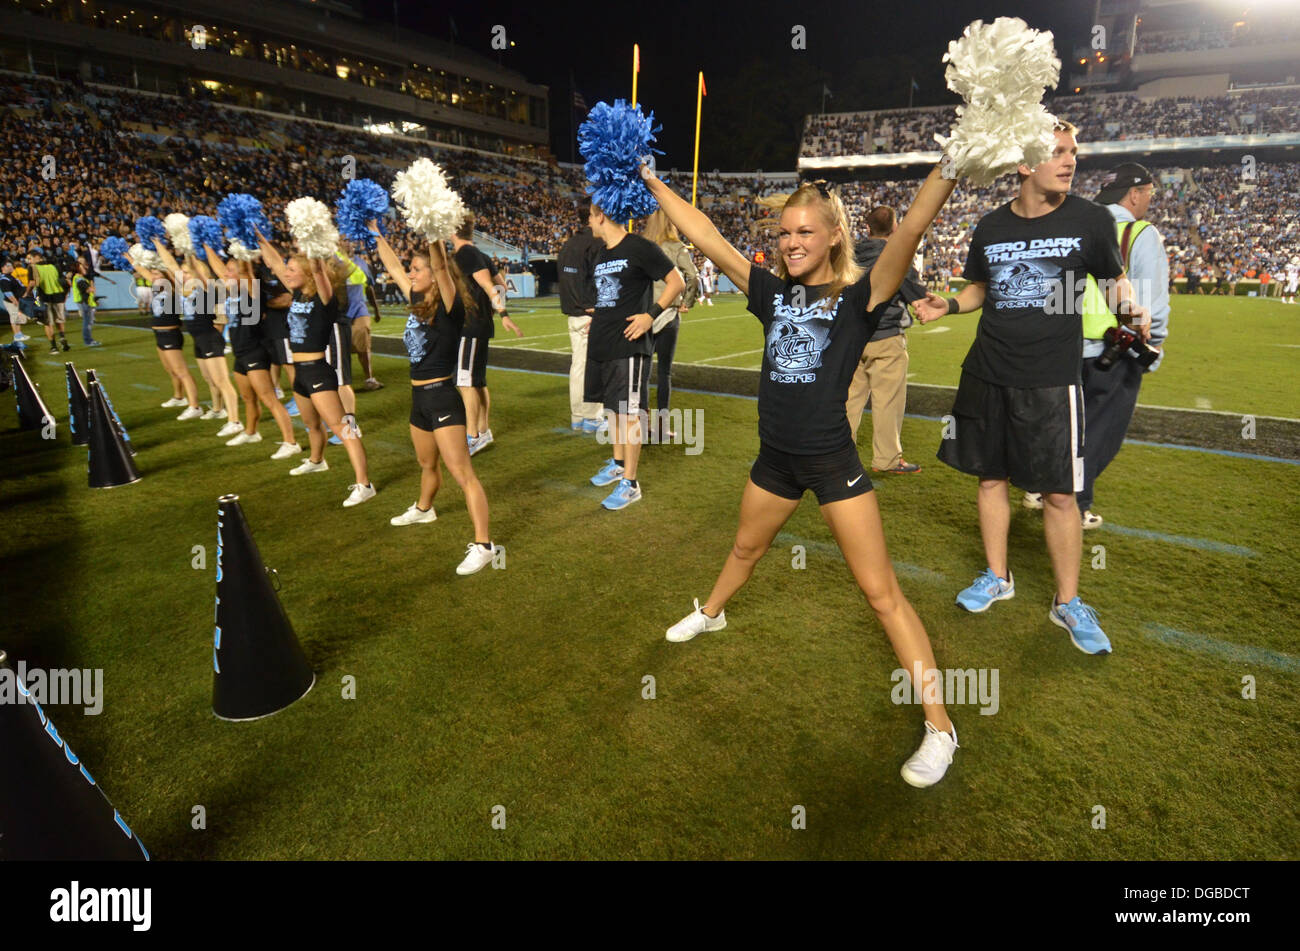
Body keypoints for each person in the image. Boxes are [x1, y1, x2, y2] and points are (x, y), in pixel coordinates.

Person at [643, 165, 962, 788]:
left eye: (805, 232)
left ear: (834, 238)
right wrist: (650, 180)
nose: (790, 242)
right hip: (775, 460)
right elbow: (706, 236)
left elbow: (912, 228)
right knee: (744, 547)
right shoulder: (772, 292)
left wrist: (950, 166)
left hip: (832, 462)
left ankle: (941, 727)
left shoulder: (861, 298)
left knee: (881, 594)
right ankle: (711, 612)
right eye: (784, 232)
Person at [915, 121, 1150, 657]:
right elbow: (980, 289)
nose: (1070, 162)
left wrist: (1132, 309)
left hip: (1051, 379)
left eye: (1074, 153)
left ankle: (1068, 601)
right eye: (1058, 152)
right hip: (988, 370)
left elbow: (1114, 281)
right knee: (990, 478)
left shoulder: (1090, 219)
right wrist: (947, 304)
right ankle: (998, 576)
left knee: (1061, 494)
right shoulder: (991, 226)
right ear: (1024, 163)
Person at [1025, 163, 1171, 529]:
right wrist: (1151, 349)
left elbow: (1053, 287)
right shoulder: (1140, 233)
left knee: (1059, 425)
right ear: (1134, 194)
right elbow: (1152, 303)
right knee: (1099, 433)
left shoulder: (1075, 224)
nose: (1148, 201)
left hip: (1065, 346)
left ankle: (1036, 487)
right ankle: (1073, 503)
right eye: (1149, 194)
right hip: (1116, 348)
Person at [371, 223, 498, 575]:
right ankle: (425, 509)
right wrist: (375, 232)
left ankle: (484, 545)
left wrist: (431, 229)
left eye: (417, 269)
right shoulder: (416, 300)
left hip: (442, 397)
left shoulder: (450, 308)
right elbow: (393, 266)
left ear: (434, 273)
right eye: (411, 269)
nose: (410, 273)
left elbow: (442, 267)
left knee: (463, 473)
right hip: (418, 400)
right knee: (427, 465)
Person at [256, 227, 376, 507]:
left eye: (293, 269)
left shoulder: (324, 298)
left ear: (309, 273)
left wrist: (313, 249)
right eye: (287, 268)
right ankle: (316, 460)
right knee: (311, 424)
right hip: (300, 374)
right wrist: (261, 239)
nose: (286, 272)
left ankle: (364, 483)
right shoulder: (296, 294)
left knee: (342, 427)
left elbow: (321, 273)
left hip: (318, 370)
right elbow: (274, 263)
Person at [583, 200, 685, 510]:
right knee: (614, 411)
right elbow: (610, 295)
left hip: (629, 346)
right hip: (603, 342)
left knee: (628, 413)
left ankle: (630, 483)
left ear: (600, 215)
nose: (588, 221)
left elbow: (676, 282)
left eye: (589, 215)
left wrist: (651, 315)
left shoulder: (639, 246)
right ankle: (617, 464)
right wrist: (597, 317)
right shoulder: (602, 253)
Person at [845, 206, 928, 473]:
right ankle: (887, 460)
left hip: (852, 338)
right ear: (894, 229)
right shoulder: (896, 253)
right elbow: (914, 292)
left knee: (848, 401)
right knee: (887, 401)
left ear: (867, 228)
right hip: (886, 334)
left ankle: (837, 454)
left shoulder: (850, 254)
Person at [205, 245, 299, 454]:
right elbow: (219, 269)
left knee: (269, 399)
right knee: (248, 398)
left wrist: (242, 253)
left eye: (232, 271)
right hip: (240, 352)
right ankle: (251, 432)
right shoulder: (233, 290)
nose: (226, 274)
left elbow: (246, 272)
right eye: (227, 271)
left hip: (256, 350)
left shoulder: (252, 290)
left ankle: (291, 442)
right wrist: (204, 244)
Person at [450, 216, 523, 455]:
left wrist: (503, 313)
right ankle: (483, 431)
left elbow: (489, 286)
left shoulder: (466, 255)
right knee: (477, 381)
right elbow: (502, 285)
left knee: (465, 381)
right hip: (479, 324)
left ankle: (472, 435)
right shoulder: (481, 254)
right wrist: (491, 309)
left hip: (470, 326)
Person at [642, 208, 698, 444]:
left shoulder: (641, 246)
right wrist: (687, 302)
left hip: (644, 315)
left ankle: (641, 429)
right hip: (668, 314)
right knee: (664, 373)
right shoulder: (676, 248)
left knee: (642, 375)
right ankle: (662, 428)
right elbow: (693, 276)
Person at [128, 246, 201, 418]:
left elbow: (171, 267)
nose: (154, 277)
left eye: (157, 274)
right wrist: (129, 258)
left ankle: (195, 406)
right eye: (152, 274)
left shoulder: (173, 287)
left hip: (170, 333)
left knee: (181, 370)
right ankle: (179, 397)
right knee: (170, 369)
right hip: (158, 333)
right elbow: (141, 270)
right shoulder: (156, 285)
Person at [556, 200, 604, 434]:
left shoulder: (568, 245)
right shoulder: (595, 244)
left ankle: (578, 416)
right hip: (590, 314)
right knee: (592, 367)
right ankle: (591, 417)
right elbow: (600, 279)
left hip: (573, 313)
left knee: (578, 366)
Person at [28, 252, 70, 353]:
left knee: (47, 323)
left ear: (37, 257)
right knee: (59, 320)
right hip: (58, 296)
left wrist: (27, 293)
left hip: (44, 297)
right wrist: (65, 294)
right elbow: (65, 281)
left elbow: (33, 283)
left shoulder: (33, 267)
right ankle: (62, 338)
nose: (29, 261)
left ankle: (54, 346)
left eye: (30, 258)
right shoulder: (54, 266)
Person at [70, 262, 101, 347]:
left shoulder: (79, 278)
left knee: (88, 322)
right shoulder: (79, 279)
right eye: (82, 267)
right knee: (87, 322)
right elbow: (89, 290)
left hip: (85, 301)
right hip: (84, 302)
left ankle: (89, 340)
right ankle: (88, 341)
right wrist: (91, 282)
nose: (84, 269)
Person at [1, 262, 30, 342]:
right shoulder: (4, 279)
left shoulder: (11, 277)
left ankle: (19, 333)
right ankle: (17, 335)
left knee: (18, 317)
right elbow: (7, 292)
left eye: (11, 265)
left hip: (17, 299)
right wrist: (14, 301)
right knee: (14, 317)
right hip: (11, 301)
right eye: (8, 266)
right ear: (2, 268)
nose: (10, 267)